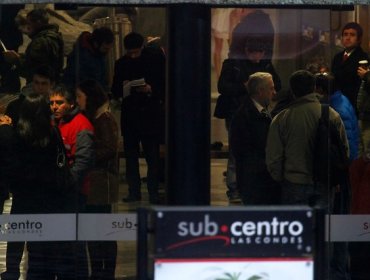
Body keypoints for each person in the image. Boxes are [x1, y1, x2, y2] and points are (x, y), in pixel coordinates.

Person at [2, 93, 70, 279]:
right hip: (48, 197)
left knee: (16, 239)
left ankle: (12, 271)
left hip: (24, 196)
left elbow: (11, 162)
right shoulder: (52, 133)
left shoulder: (19, 135)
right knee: (41, 248)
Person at [216, 21, 281, 202]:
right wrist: (244, 88)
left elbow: (278, 84)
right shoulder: (233, 64)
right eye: (255, 53)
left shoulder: (265, 64)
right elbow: (223, 87)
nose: (258, 57)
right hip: (237, 109)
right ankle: (234, 187)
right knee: (236, 151)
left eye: (261, 53)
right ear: (247, 51)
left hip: (260, 111)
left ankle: (250, 183)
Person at [1, 66, 55, 280]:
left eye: (44, 84)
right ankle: (14, 268)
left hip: (35, 181)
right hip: (25, 181)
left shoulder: (53, 108)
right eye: (37, 83)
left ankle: (28, 268)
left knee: (29, 228)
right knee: (19, 227)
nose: (40, 88)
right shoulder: (19, 106)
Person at [266, 70, 348, 207]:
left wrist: (281, 178)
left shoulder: (282, 118)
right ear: (314, 88)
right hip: (324, 182)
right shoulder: (331, 114)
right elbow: (344, 149)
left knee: (296, 227)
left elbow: (274, 156)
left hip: (294, 182)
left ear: (292, 90)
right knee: (322, 226)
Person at [111, 32, 165, 204]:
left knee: (152, 156)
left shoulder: (154, 60)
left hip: (150, 113)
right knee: (131, 156)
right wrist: (124, 89)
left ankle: (153, 190)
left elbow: (164, 84)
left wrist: (150, 89)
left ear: (142, 47)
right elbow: (115, 89)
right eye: (130, 53)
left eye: (136, 52)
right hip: (131, 113)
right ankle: (134, 191)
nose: (133, 56)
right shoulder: (121, 64)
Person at [49, 85, 95, 279]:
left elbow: (83, 161)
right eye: (51, 103)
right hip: (60, 190)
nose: (54, 107)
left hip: (73, 191)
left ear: (71, 104)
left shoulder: (81, 125)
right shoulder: (56, 123)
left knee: (74, 242)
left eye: (59, 103)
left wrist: (67, 183)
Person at [76, 79, 118, 280]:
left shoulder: (104, 118)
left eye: (80, 97)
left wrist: (85, 155)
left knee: (102, 230)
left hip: (101, 181)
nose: (78, 101)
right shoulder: (95, 118)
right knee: (94, 231)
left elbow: (109, 149)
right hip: (94, 180)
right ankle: (99, 270)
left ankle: (104, 271)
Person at [230, 72, 280, 205]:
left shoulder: (263, 112)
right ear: (260, 91)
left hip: (263, 180)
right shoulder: (243, 116)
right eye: (271, 88)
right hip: (255, 183)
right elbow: (242, 151)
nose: (274, 92)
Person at [2, 8, 64, 84]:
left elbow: (32, 70)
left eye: (29, 23)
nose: (27, 26)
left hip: (41, 87)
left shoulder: (41, 41)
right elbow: (37, 59)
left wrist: (15, 59)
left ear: (38, 22)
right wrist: (20, 56)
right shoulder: (53, 35)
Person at [62, 26, 114, 93]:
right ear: (96, 44)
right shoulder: (79, 57)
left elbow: (102, 79)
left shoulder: (98, 54)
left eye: (109, 48)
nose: (108, 51)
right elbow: (74, 82)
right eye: (105, 48)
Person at [331, 22, 369, 110]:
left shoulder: (364, 58)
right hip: (336, 102)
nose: (348, 38)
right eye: (345, 34)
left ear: (359, 39)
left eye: (352, 35)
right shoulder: (337, 57)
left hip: (354, 104)